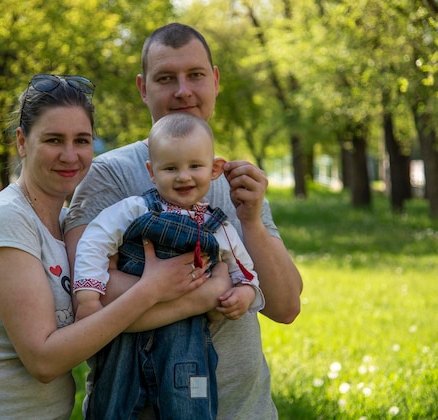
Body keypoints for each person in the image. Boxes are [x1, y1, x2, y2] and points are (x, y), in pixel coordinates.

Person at [0, 74, 210, 420]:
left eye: (82, 140)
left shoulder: (64, 223)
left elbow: (104, 322)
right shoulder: (7, 219)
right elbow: (43, 360)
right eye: (54, 140)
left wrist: (205, 297)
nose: (70, 155)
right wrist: (149, 290)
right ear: (21, 142)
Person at [64, 23, 303, 419]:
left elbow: (285, 307)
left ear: (215, 80)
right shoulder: (109, 174)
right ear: (143, 88)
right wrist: (209, 292)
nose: (182, 91)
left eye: (195, 75)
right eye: (165, 78)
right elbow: (90, 292)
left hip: (245, 409)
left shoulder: (233, 179)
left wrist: (252, 221)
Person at [73, 112, 265, 418]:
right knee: (114, 405)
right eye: (171, 168)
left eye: (195, 166)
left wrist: (244, 294)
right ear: (152, 172)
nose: (183, 176)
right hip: (125, 342)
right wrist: (88, 296)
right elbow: (95, 241)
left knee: (192, 403)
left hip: (187, 348)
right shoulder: (135, 209)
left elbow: (244, 270)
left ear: (215, 169)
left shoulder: (219, 227)